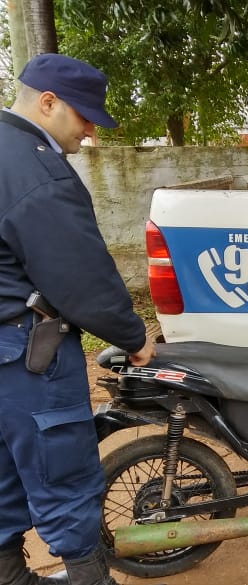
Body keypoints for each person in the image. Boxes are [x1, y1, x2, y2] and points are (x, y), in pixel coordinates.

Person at [0, 54, 156, 585]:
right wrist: (134, 339)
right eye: (84, 116)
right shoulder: (37, 169)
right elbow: (82, 277)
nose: (90, 131)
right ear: (47, 102)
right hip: (29, 358)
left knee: (2, 479)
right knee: (65, 479)